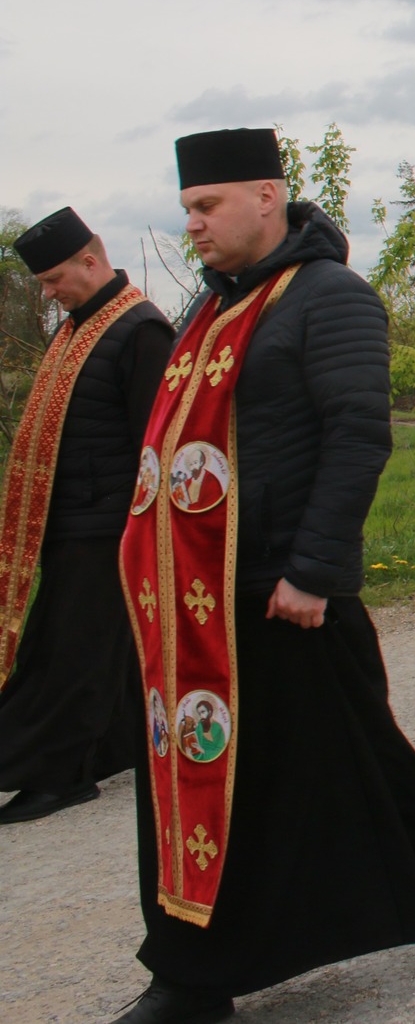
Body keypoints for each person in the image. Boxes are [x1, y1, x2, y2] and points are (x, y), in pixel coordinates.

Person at [117, 128, 415, 1024]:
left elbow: (358, 436)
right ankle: (194, 973)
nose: (194, 224)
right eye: (188, 208)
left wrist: (315, 570)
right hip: (202, 596)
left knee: (362, 758)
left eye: (207, 206)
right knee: (223, 778)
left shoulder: (331, 297)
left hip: (289, 591)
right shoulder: (207, 309)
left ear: (267, 196)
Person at [0, 209, 171, 824]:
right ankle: (114, 747)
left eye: (53, 279)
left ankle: (58, 774)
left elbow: (156, 442)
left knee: (71, 652)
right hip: (68, 518)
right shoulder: (78, 328)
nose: (48, 294)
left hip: (108, 527)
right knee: (96, 646)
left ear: (91, 262)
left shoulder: (141, 329)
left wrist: (142, 530)